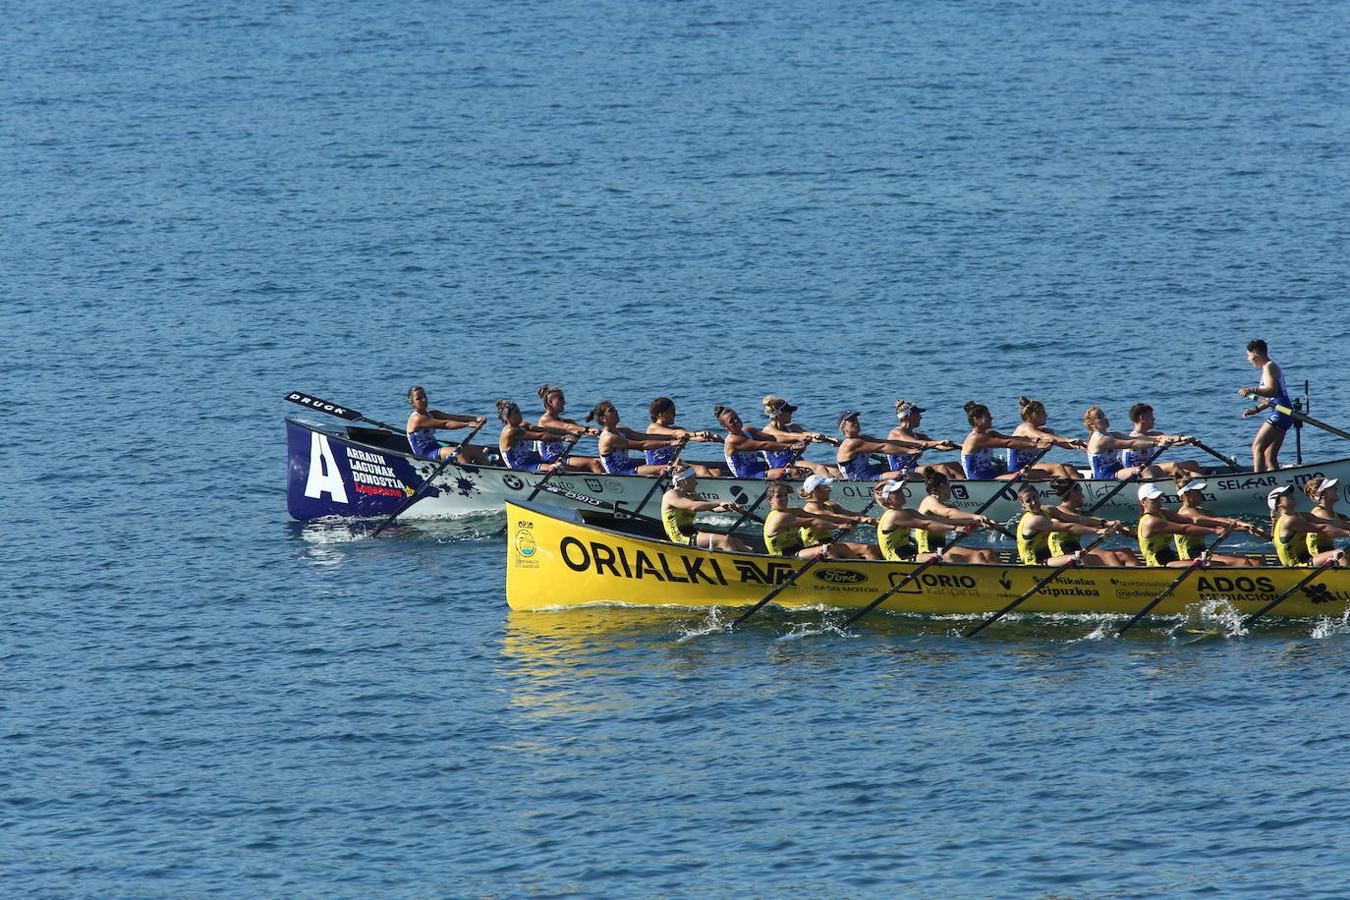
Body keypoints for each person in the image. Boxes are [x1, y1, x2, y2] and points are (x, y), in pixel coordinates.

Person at [1166, 476, 1264, 566]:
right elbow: (1216, 520)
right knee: (1243, 563)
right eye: (1198, 492)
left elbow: (1224, 524)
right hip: (1192, 556)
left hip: (1203, 551)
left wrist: (1251, 529)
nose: (1201, 494)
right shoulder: (1186, 513)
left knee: (1255, 563)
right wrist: (1237, 522)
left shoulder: (1200, 510)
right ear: (1187, 494)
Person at [1015, 483, 1122, 566]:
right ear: (1023, 504)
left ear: (1039, 495)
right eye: (1028, 501)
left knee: (1096, 559)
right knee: (1077, 558)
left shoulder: (1048, 509)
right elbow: (1069, 527)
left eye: (1035, 497)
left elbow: (1076, 519)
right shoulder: (1034, 520)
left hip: (1049, 558)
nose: (1034, 502)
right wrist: (1097, 531)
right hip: (1035, 563)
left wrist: (1104, 523)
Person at [1042, 478, 1138, 567]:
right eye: (1080, 492)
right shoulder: (1059, 512)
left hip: (1076, 550)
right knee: (1109, 556)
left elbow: (1100, 521)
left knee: (1126, 553)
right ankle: (1122, 583)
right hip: (1062, 554)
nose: (1083, 495)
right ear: (1072, 493)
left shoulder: (1081, 513)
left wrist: (1124, 529)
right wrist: (1106, 524)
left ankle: (1141, 581)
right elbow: (1079, 519)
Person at [873, 480, 974, 563]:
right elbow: (926, 525)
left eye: (901, 490)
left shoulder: (908, 511)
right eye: (897, 492)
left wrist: (964, 522)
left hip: (909, 551)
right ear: (888, 499)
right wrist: (955, 528)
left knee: (951, 556)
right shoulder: (893, 515)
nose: (902, 493)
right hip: (897, 558)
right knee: (948, 558)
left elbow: (933, 519)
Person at [913, 470, 1000, 563]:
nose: (950, 489)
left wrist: (986, 522)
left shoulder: (947, 506)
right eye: (949, 486)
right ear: (942, 486)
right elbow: (948, 513)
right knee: (978, 556)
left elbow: (961, 521)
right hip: (928, 552)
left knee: (988, 553)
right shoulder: (929, 500)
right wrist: (975, 516)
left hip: (940, 548)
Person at [660, 462, 750, 551]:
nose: (696, 483)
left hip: (692, 532)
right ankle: (731, 564)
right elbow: (693, 506)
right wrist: (719, 502)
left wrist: (728, 507)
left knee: (736, 541)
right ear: (684, 481)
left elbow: (713, 508)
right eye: (694, 479)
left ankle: (756, 561)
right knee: (724, 541)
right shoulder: (671, 495)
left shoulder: (691, 495)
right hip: (680, 538)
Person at [762, 481, 863, 559]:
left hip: (799, 550)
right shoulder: (779, 517)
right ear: (770, 499)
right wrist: (838, 526)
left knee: (842, 548)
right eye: (779, 496)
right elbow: (812, 522)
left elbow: (817, 517)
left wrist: (849, 520)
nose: (784, 498)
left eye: (785, 495)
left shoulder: (793, 511)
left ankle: (864, 571)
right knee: (827, 550)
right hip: (783, 556)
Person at [1135, 483, 1226, 567]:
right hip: (1157, 564)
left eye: (1159, 498)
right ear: (1143, 502)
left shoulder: (1163, 512)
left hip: (1169, 558)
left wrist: (1223, 524)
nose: (1159, 502)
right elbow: (1184, 529)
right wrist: (1214, 531)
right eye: (1154, 500)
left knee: (1215, 563)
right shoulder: (1150, 521)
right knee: (1211, 564)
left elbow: (1190, 520)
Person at [838, 410, 943, 482]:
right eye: (851, 421)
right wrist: (908, 451)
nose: (856, 423)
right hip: (860, 479)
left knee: (920, 473)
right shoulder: (850, 443)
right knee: (902, 475)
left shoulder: (863, 438)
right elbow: (882, 447)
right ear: (844, 428)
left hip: (869, 470)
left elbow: (889, 442)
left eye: (856, 420)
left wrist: (915, 444)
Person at [1237, 339, 1294, 472]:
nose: (1248, 359)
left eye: (1248, 355)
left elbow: (1272, 391)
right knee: (1269, 456)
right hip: (1284, 412)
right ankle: (1274, 485)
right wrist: (1256, 410)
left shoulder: (1269, 367)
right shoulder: (1270, 367)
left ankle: (1258, 481)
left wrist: (1251, 389)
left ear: (1256, 356)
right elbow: (1274, 397)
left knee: (1257, 448)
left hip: (1280, 413)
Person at [960, 402, 1053, 481]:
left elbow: (1010, 438)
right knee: (1029, 475)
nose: (991, 418)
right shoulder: (975, 438)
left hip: (992, 474)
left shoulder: (989, 432)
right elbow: (1006, 443)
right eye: (987, 416)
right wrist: (1035, 445)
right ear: (977, 419)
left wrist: (1036, 440)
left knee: (1041, 473)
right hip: (980, 480)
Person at [586, 400, 684, 476]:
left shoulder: (621, 429)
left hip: (629, 465)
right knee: (668, 468)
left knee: (656, 464)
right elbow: (641, 445)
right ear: (603, 418)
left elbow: (644, 437)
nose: (616, 412)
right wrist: (669, 443)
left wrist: (672, 436)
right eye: (611, 411)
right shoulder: (608, 437)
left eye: (615, 409)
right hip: (619, 473)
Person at [715, 405, 814, 479]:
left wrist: (800, 438)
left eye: (736, 417)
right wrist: (791, 447)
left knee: (805, 471)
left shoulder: (748, 430)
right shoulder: (732, 440)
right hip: (747, 474)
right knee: (792, 472)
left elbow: (772, 438)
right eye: (731, 421)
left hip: (758, 467)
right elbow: (763, 445)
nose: (736, 421)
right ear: (725, 427)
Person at [1082, 406, 1179, 482]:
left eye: (1104, 415)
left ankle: (1167, 492)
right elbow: (1131, 443)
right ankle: (1150, 498)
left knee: (1155, 469)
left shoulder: (1112, 434)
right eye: (1100, 417)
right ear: (1091, 424)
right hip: (1105, 475)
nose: (1105, 418)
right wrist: (1155, 444)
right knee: (1146, 471)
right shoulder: (1101, 440)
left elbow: (1135, 438)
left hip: (1118, 469)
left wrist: (1163, 440)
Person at [798, 475, 882, 559]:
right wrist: (859, 519)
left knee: (874, 548)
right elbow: (836, 517)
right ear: (815, 490)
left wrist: (876, 521)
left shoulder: (830, 505)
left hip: (831, 543)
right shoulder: (810, 511)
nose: (829, 490)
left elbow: (852, 514)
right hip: (815, 547)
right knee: (866, 549)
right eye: (826, 487)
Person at [1267, 484, 1350, 567]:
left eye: (1290, 493)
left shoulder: (1303, 515)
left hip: (1308, 559)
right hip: (1296, 566)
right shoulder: (1288, 520)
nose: (1291, 495)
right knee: (1340, 554)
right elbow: (1322, 528)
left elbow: (1329, 522)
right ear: (1279, 504)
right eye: (1286, 495)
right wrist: (1348, 533)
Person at [760, 396, 841, 479]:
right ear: (780, 414)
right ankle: (828, 488)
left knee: (836, 469)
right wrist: (806, 436)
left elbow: (808, 434)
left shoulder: (793, 427)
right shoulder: (768, 430)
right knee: (819, 468)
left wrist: (829, 439)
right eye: (789, 412)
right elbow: (785, 436)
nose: (791, 414)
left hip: (797, 461)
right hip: (781, 465)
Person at [405, 385, 489, 464]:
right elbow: (445, 424)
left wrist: (475, 419)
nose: (424, 400)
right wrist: (468, 424)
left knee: (476, 451)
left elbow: (452, 417)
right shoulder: (416, 419)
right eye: (419, 398)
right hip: (425, 454)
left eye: (424, 396)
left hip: (436, 446)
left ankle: (494, 476)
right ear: (412, 403)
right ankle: (473, 475)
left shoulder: (431, 413)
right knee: (459, 454)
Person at [646, 397, 725, 477]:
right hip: (658, 468)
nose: (675, 414)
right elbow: (677, 433)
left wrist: (711, 437)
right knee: (701, 470)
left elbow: (693, 437)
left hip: (673, 465)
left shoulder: (674, 428)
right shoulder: (653, 428)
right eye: (672, 412)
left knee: (717, 472)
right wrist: (697, 433)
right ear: (661, 414)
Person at [1009, 396, 1084, 480]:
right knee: (1057, 467)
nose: (1046, 415)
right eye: (1043, 412)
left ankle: (1079, 491)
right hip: (1018, 470)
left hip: (1030, 467)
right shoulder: (1024, 428)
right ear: (1033, 415)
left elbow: (1063, 444)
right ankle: (1066, 491)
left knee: (1069, 469)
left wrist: (1080, 446)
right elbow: (1042, 436)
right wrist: (1067, 439)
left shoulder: (1044, 431)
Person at [535, 385, 605, 474]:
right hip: (551, 461)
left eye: (563, 399)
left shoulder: (565, 421)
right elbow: (566, 427)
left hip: (562, 458)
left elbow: (581, 429)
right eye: (560, 399)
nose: (564, 402)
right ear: (550, 402)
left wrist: (599, 433)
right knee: (594, 464)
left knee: (600, 461)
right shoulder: (544, 420)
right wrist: (582, 430)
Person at [1123, 403, 1205, 479]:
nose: (1154, 419)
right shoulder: (1134, 436)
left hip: (1150, 469)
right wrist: (1180, 438)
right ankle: (1190, 486)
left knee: (1192, 464)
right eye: (1151, 416)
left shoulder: (1152, 434)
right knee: (1172, 465)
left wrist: (1188, 440)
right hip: (1135, 473)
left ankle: (1203, 484)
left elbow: (1171, 441)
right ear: (1142, 418)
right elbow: (1160, 438)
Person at [495, 400, 580, 473]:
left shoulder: (523, 425)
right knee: (559, 468)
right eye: (516, 413)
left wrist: (567, 431)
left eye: (519, 411)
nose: (520, 414)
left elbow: (546, 430)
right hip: (520, 467)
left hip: (530, 461)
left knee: (565, 466)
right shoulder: (510, 432)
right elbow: (541, 436)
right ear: (508, 417)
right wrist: (564, 438)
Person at [887, 400, 963, 480]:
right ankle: (949, 489)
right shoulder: (896, 432)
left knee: (955, 466)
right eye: (918, 414)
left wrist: (962, 446)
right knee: (940, 468)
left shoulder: (918, 435)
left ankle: (967, 486)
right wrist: (938, 442)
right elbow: (918, 443)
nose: (921, 417)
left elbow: (940, 446)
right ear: (910, 415)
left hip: (915, 468)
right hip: (901, 471)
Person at [1305, 476, 1349, 557]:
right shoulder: (1319, 513)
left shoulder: (1335, 514)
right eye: (1331, 488)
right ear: (1323, 494)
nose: (1335, 489)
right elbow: (1343, 526)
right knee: (1343, 555)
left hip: (1329, 551)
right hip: (1318, 555)